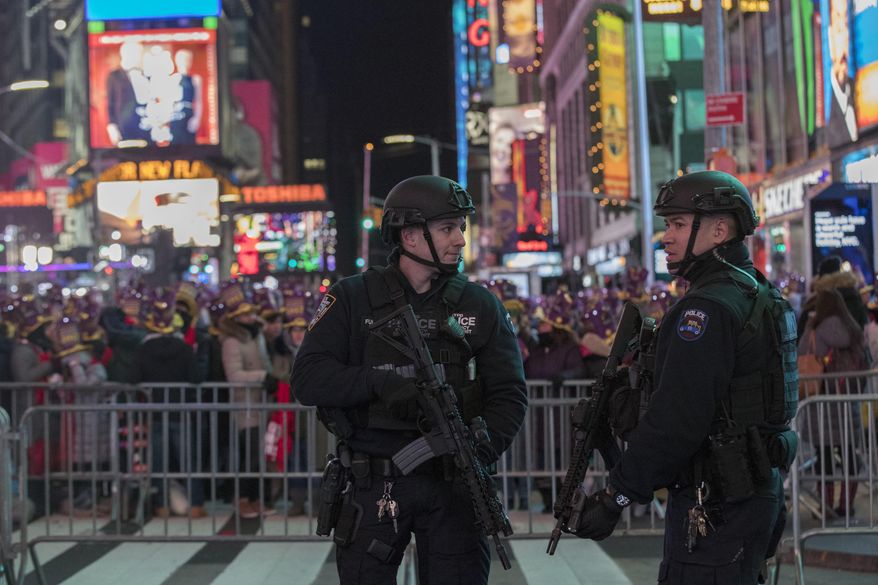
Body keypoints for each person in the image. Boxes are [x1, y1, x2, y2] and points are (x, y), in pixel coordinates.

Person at [292, 175, 527, 585]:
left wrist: (481, 449)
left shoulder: (480, 305)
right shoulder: (351, 298)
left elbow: (509, 393)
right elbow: (308, 378)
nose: (460, 240)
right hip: (374, 484)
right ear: (412, 235)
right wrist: (378, 383)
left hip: (454, 486)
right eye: (447, 228)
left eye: (461, 227)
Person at [572, 171, 799, 585]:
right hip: (748, 495)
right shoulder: (756, 291)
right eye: (667, 225)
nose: (666, 238)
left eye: (678, 224)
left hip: (716, 504)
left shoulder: (707, 309)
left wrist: (615, 496)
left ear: (718, 229)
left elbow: (676, 421)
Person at [106, 40, 150, 146]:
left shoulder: (146, 76)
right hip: (124, 130)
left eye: (141, 54)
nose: (140, 58)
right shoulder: (114, 76)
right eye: (139, 54)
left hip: (145, 130)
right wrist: (112, 127)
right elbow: (110, 103)